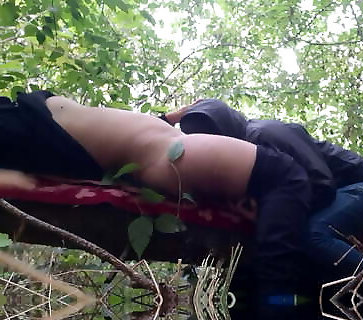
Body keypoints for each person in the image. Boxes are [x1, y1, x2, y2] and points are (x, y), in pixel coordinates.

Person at [0, 90, 313, 300]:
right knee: (285, 180)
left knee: (285, 182)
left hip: (163, 152)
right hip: (160, 149)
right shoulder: (25, 120)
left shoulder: (20, 128)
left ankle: (280, 311)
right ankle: (280, 310)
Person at [165, 99, 363, 283]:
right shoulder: (238, 161)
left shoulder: (264, 134)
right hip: (334, 197)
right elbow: (145, 139)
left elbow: (321, 184)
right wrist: (172, 118)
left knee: (313, 234)